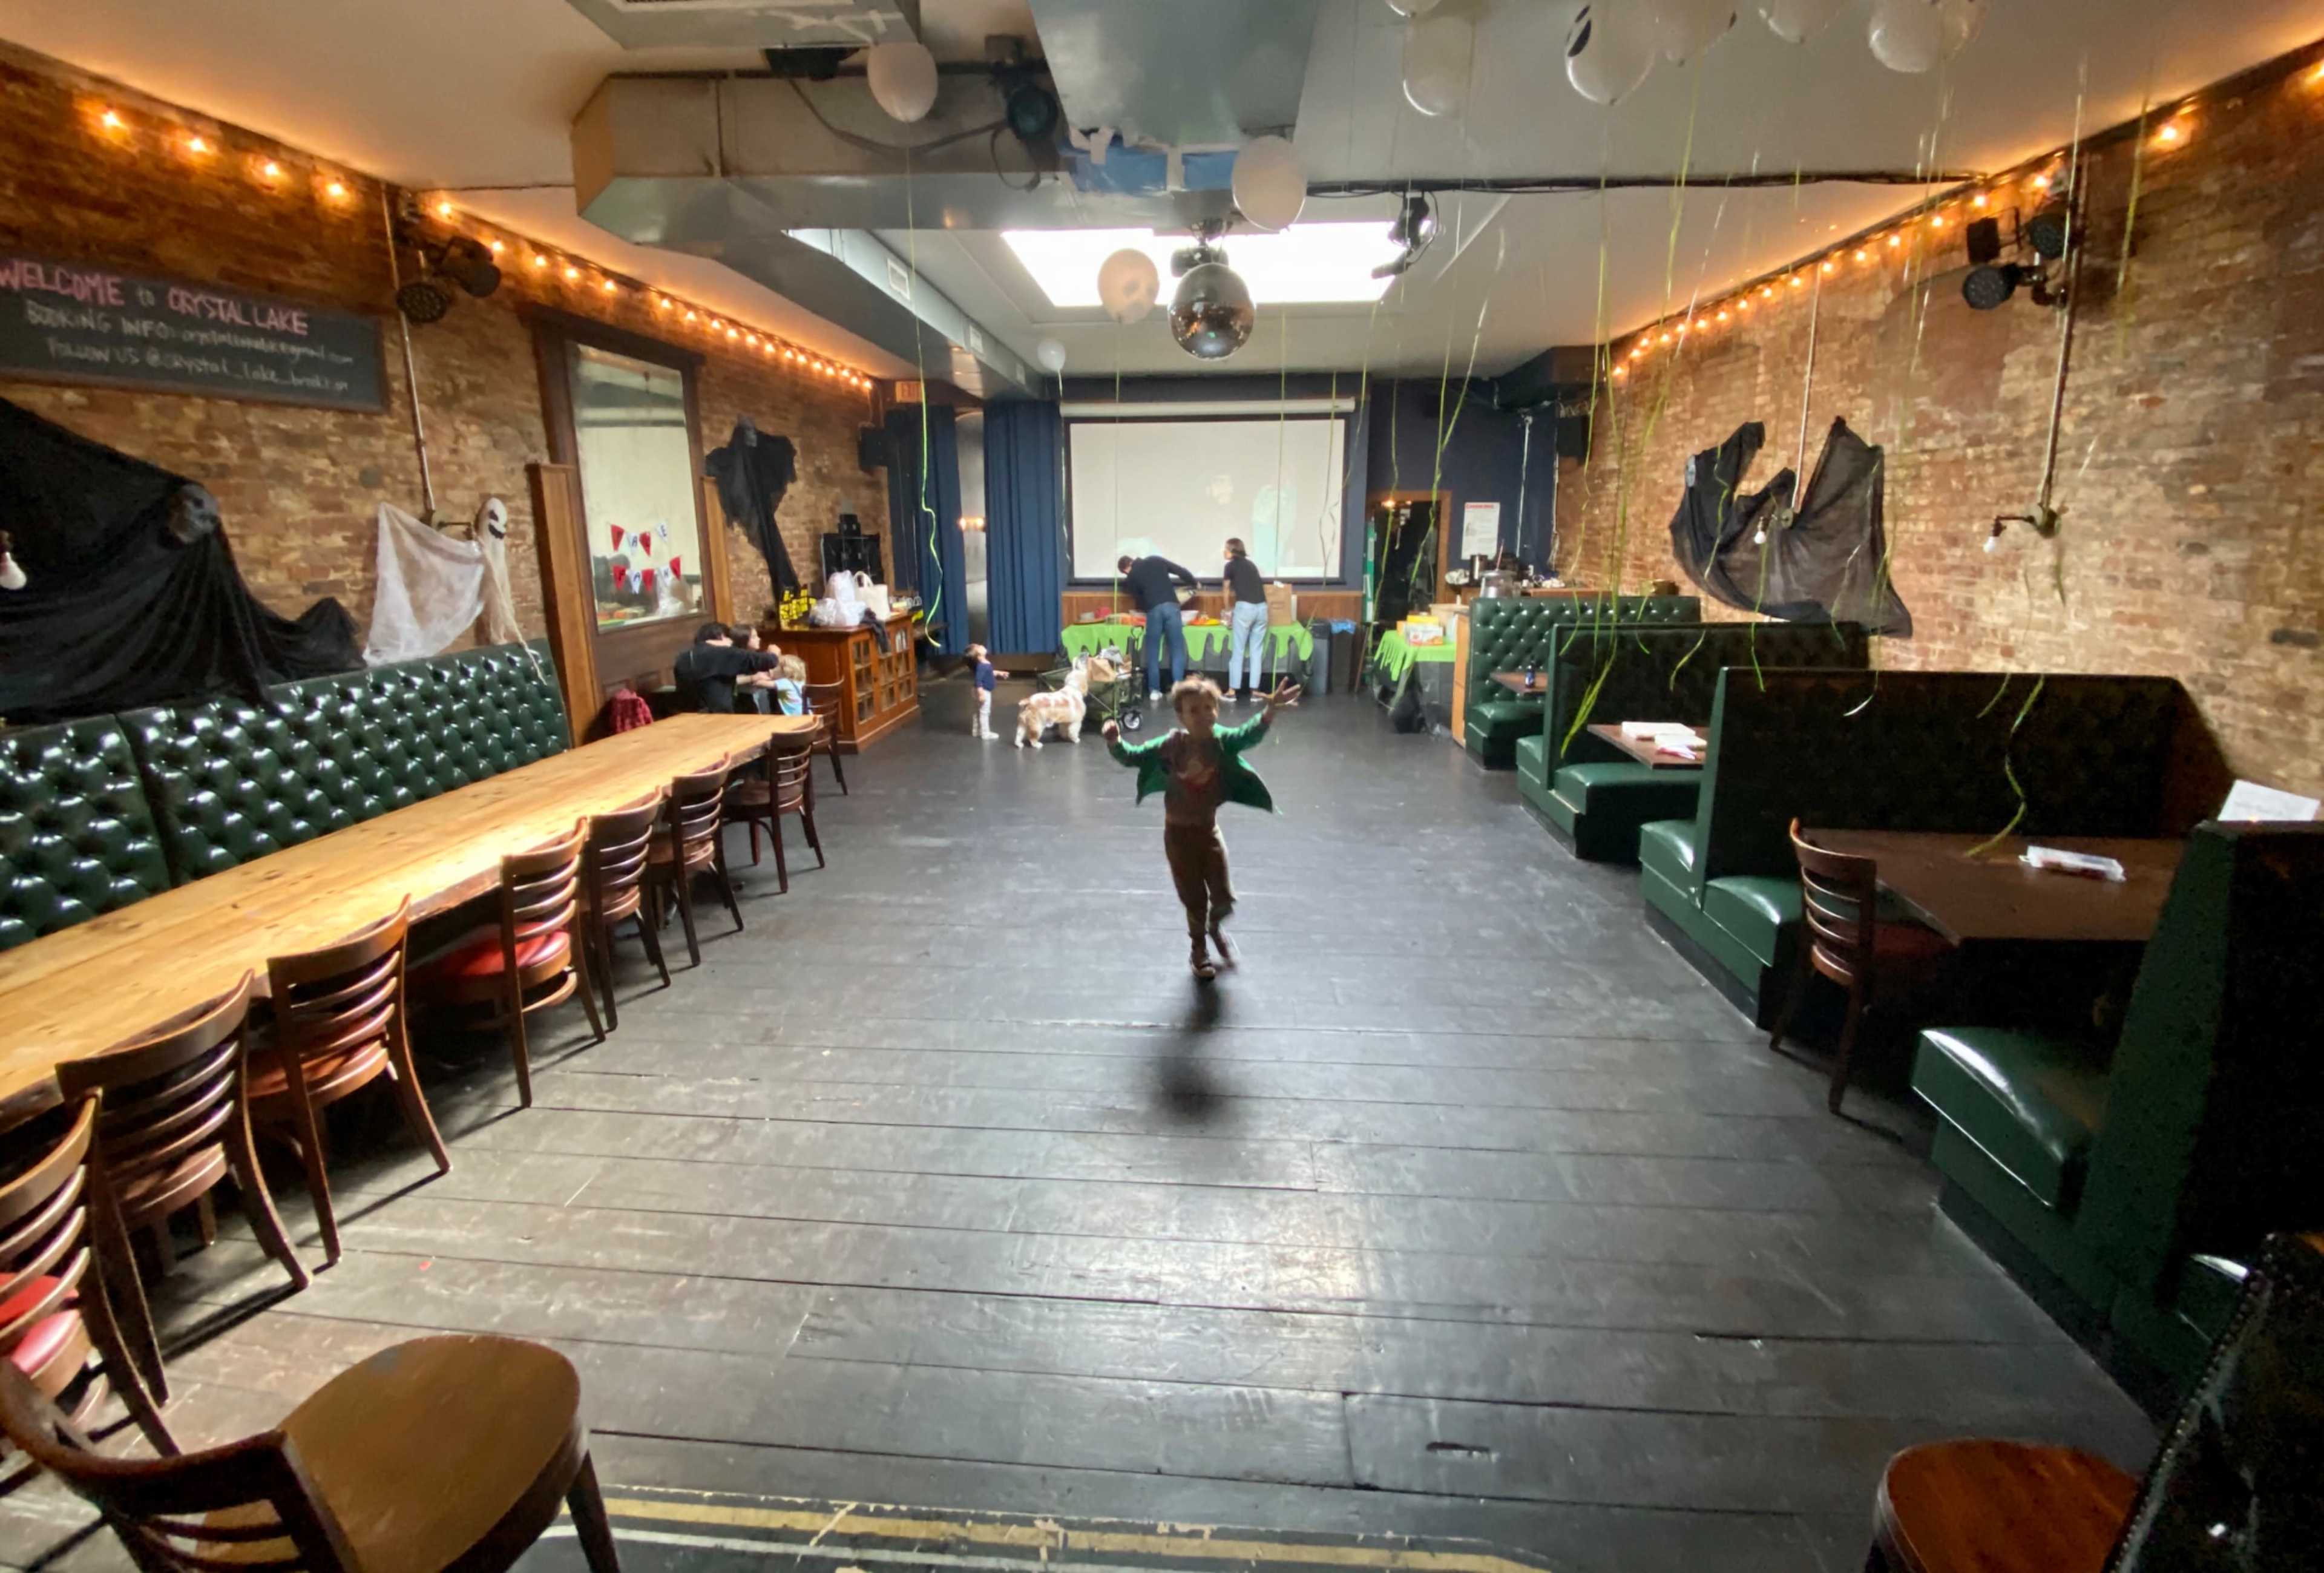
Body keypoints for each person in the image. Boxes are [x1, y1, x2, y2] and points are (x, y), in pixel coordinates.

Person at [1103, 675, 1301, 980]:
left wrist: (1270, 711)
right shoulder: (1172, 746)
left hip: (1209, 832)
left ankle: (1214, 927)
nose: (1204, 715)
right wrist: (1115, 742)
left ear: (1217, 711)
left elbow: (1248, 735)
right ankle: (1198, 948)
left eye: (1209, 708)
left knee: (1223, 897)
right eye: (1194, 710)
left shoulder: (1221, 743)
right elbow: (1134, 757)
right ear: (1181, 716)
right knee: (1194, 898)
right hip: (1178, 836)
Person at [1117, 551, 1197, 702]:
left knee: (1152, 651)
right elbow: (1180, 571)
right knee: (1177, 649)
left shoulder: (1132, 577)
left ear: (1125, 569)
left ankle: (1154, 691)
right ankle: (1178, 689)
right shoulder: (1155, 560)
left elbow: (1140, 600)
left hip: (1153, 610)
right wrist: (1194, 582)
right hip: (1172, 606)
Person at [672, 622, 781, 714]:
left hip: (690, 716)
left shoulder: (683, 657)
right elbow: (765, 661)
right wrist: (774, 653)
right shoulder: (721, 653)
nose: (732, 644)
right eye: (730, 639)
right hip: (719, 718)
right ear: (722, 636)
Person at [1221, 536, 1269, 703]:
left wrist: (1228, 610)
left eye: (1225, 548)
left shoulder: (1230, 566)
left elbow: (1226, 589)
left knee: (1238, 650)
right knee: (1256, 651)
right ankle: (1255, 692)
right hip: (1262, 609)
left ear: (1232, 551)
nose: (1223, 552)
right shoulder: (1251, 565)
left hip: (1245, 609)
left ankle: (1232, 691)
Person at [965, 643, 1001, 741]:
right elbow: (978, 681)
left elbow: (988, 673)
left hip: (979, 690)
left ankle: (976, 731)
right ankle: (985, 734)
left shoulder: (983, 665)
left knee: (978, 712)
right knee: (985, 713)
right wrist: (981, 694)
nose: (981, 645)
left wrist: (999, 673)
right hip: (983, 691)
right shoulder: (982, 666)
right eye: (978, 647)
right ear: (979, 656)